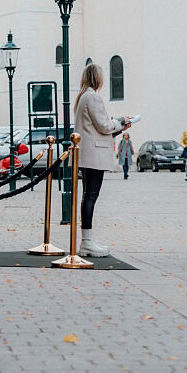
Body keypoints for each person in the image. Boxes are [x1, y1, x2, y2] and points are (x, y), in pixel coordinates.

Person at [73, 62, 131, 257]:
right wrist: (120, 121)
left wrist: (120, 127)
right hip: (94, 154)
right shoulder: (93, 97)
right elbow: (105, 126)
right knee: (91, 196)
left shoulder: (82, 97)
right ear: (96, 78)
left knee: (88, 195)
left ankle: (87, 240)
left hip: (88, 152)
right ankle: (87, 242)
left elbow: (96, 129)